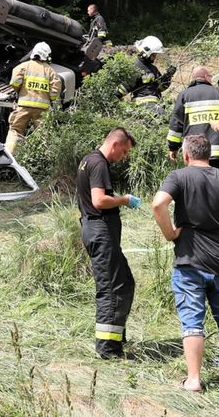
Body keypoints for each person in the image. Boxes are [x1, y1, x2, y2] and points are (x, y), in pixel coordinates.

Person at [151, 134, 219, 394]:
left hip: (189, 262)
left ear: (187, 155)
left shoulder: (179, 177)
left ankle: (194, 380)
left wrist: (170, 233)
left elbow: (158, 205)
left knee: (192, 324)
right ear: (209, 154)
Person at [76, 127, 139, 358]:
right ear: (114, 145)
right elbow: (99, 200)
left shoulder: (88, 160)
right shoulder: (99, 163)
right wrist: (124, 200)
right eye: (123, 152)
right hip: (99, 231)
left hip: (97, 231)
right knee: (111, 288)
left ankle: (115, 339)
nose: (123, 157)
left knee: (124, 283)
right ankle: (107, 349)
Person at [5, 42, 62, 155]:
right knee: (43, 134)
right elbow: (55, 92)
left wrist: (20, 91)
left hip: (23, 107)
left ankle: (10, 157)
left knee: (15, 131)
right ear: (47, 55)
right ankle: (42, 159)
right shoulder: (50, 71)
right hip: (42, 109)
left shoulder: (22, 67)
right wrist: (50, 97)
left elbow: (15, 82)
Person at [167, 67, 219, 166]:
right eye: (210, 76)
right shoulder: (218, 93)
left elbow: (176, 123)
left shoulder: (184, 95)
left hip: (194, 152)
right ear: (206, 77)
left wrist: (173, 147)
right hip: (218, 152)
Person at [126, 36, 173, 107]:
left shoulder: (153, 69)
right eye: (154, 55)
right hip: (141, 105)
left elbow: (160, 88)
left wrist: (168, 76)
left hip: (155, 104)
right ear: (147, 53)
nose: (155, 57)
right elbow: (124, 88)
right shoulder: (135, 67)